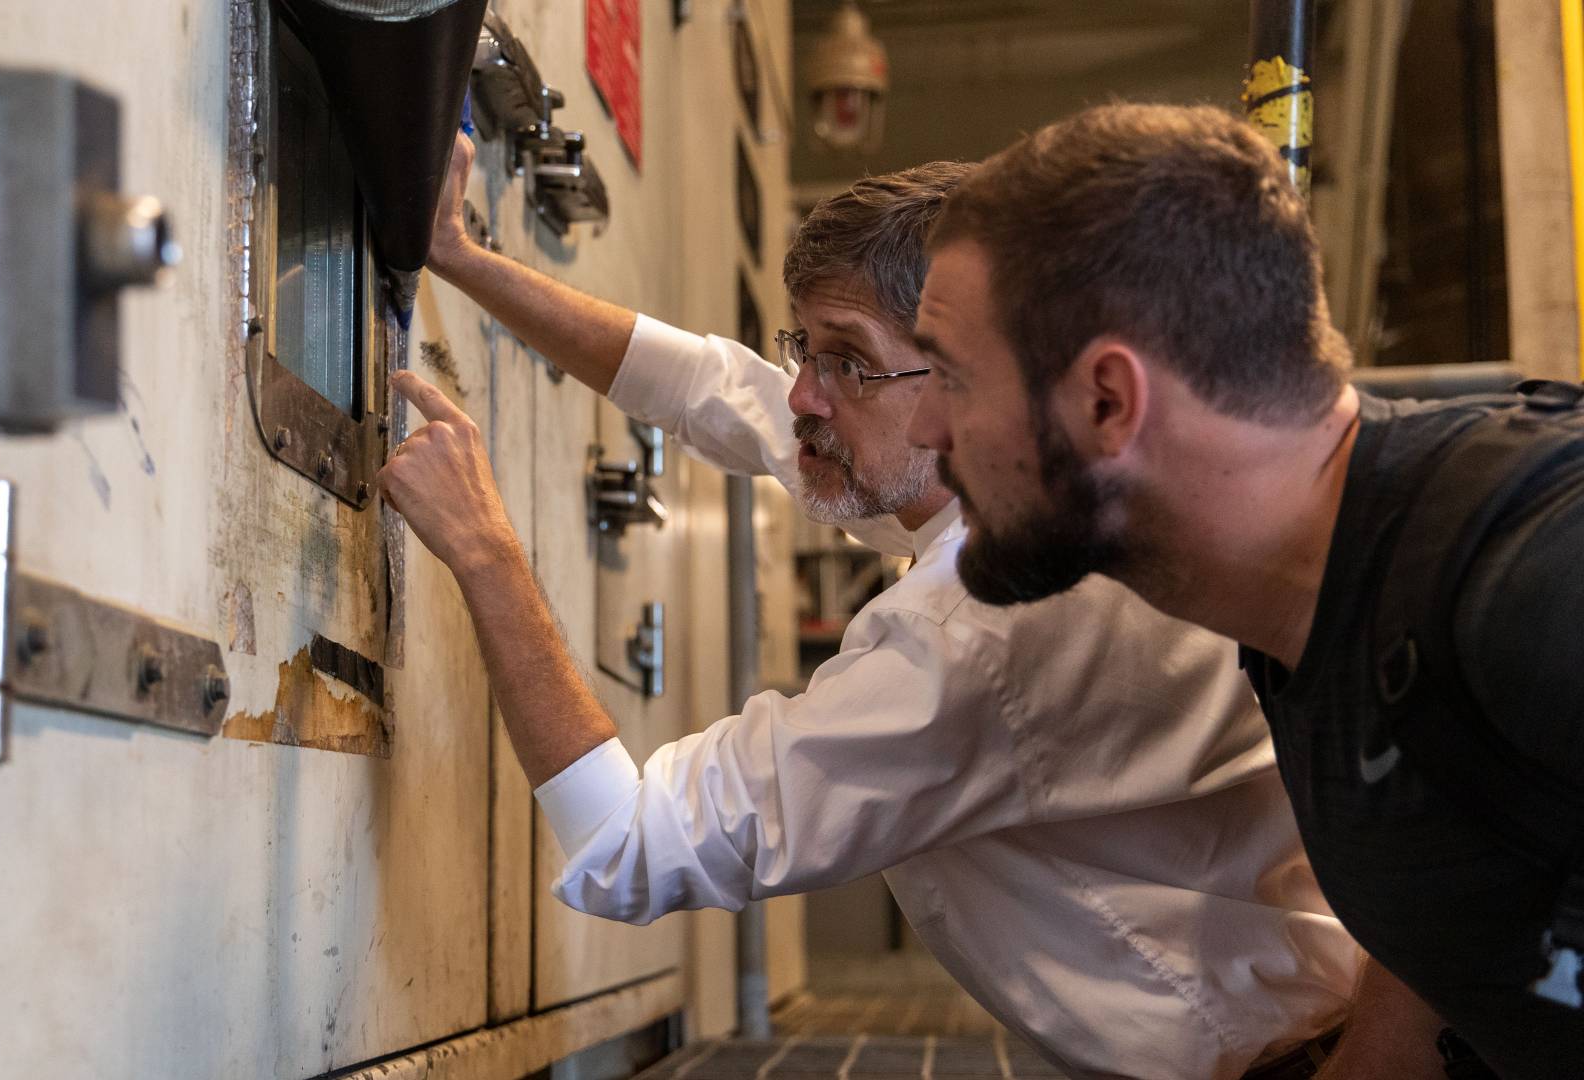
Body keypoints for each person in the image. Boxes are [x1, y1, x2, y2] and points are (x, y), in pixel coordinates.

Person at [379, 134, 1416, 1079]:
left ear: (958, 380)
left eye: (847, 363)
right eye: (806, 351)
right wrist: (465, 259)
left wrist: (482, 548)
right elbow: (714, 390)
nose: (802, 397)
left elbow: (628, 845)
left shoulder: (977, 627)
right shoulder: (1025, 490)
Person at [904, 101, 1584, 1078]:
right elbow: (1462, 877)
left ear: (1107, 400)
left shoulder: (1526, 568)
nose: (927, 424)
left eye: (954, 377)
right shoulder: (1308, 607)